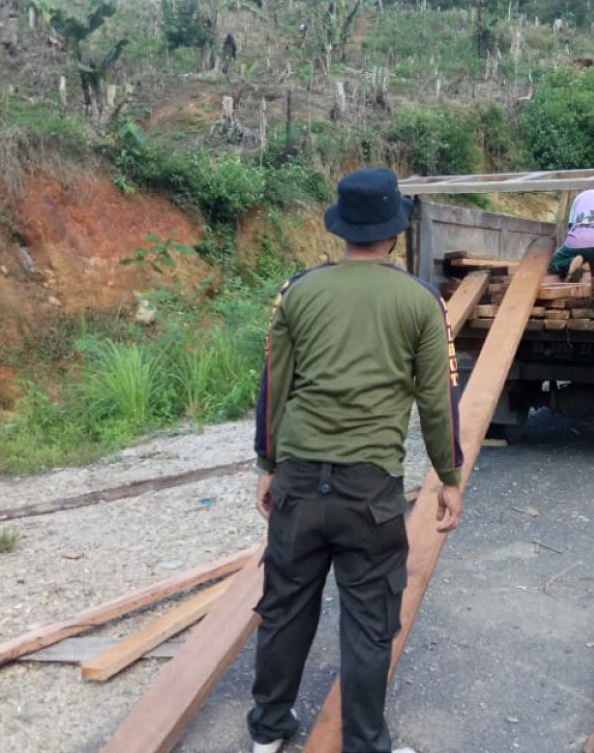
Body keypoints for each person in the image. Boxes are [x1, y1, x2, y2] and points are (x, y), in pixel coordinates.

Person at [249, 167, 465, 753]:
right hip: (369, 492)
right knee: (370, 621)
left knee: (285, 607)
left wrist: (267, 464)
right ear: (395, 232)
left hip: (297, 478)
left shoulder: (297, 291)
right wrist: (448, 477)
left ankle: (268, 734)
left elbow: (274, 384)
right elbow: (437, 400)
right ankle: (365, 743)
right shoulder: (421, 301)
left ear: (341, 228)